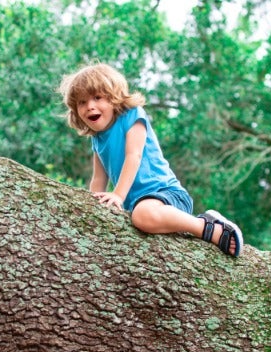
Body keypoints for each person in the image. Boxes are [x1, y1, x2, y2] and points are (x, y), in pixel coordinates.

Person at [57, 63, 243, 257]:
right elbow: (98, 180)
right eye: (82, 102)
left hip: (166, 194)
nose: (90, 106)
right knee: (140, 217)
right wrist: (90, 209)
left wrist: (118, 196)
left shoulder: (132, 115)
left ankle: (208, 226)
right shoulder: (97, 139)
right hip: (139, 206)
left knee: (141, 216)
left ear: (113, 98)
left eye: (97, 98)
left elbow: (133, 156)